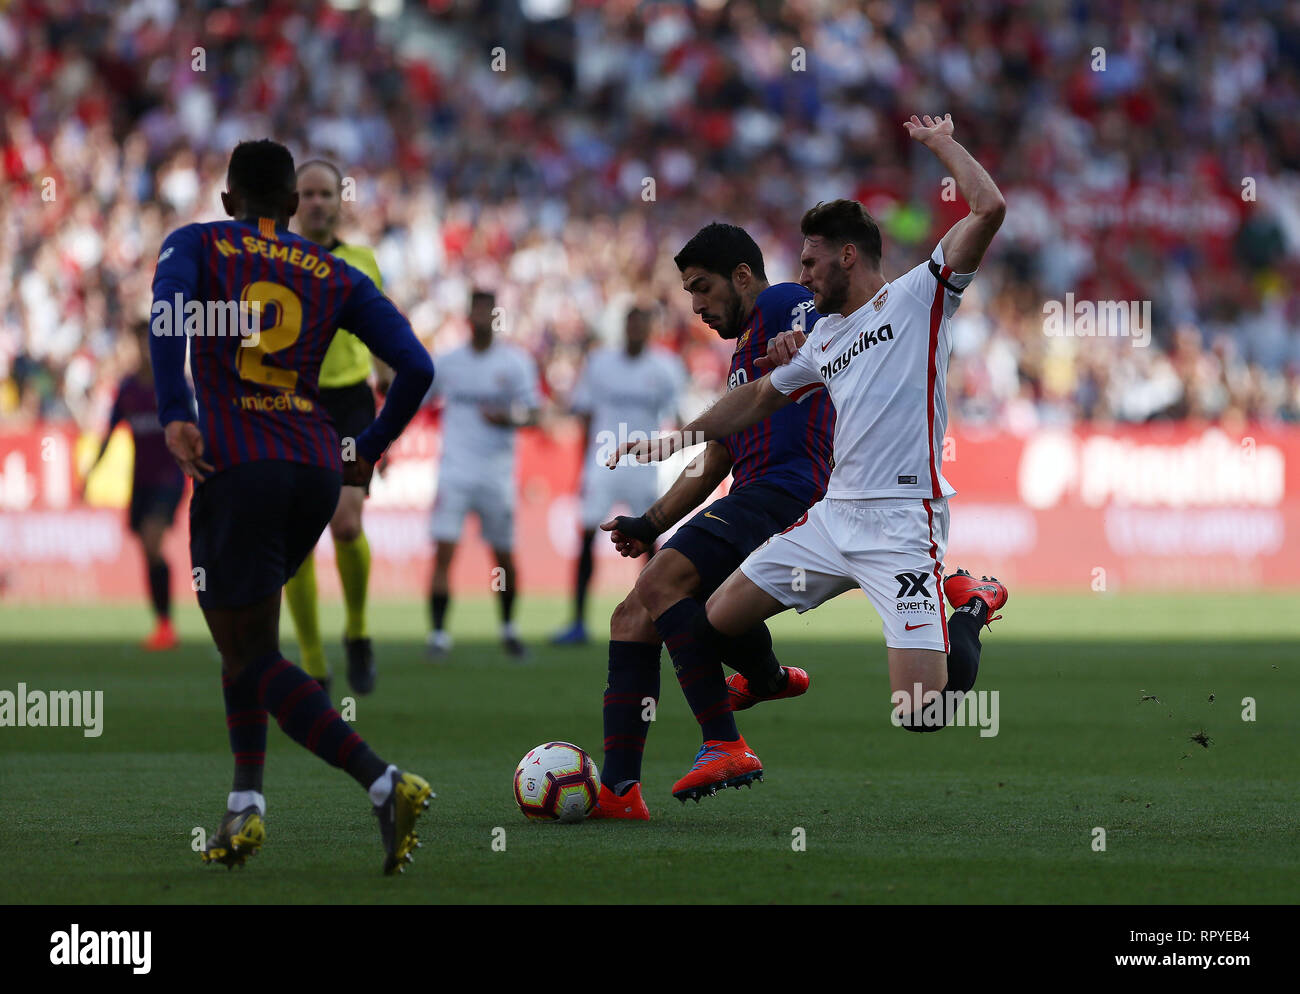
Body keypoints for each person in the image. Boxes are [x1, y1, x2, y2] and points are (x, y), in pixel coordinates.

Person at [610, 116, 1010, 797]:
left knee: (923, 713)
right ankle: (748, 707)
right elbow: (760, 399)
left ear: (847, 257)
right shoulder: (822, 341)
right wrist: (679, 437)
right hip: (831, 520)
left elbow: (990, 208)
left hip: (903, 525)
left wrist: (941, 144)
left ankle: (971, 604)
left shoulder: (921, 294)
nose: (799, 275)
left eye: (808, 262)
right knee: (712, 620)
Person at [150, 138, 434, 874]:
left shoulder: (196, 242)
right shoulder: (333, 271)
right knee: (247, 642)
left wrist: (176, 409)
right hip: (313, 467)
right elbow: (416, 366)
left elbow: (166, 322)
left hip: (235, 464)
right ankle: (245, 808)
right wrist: (366, 446)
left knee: (246, 651)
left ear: (228, 200)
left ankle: (384, 781)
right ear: (288, 205)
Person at [590, 222, 835, 818]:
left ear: (743, 276)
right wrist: (651, 521)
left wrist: (799, 340)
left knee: (661, 582)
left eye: (702, 289)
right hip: (755, 491)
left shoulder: (779, 304)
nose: (696, 306)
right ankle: (619, 792)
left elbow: (822, 326)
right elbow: (719, 456)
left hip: (789, 490)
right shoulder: (742, 354)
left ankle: (725, 740)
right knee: (632, 615)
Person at [282, 159, 391, 698]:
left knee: (346, 525)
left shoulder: (363, 259)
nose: (318, 202)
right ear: (292, 201)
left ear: (339, 200)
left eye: (326, 193)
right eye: (308, 194)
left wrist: (390, 408)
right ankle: (313, 663)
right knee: (296, 541)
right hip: (293, 402)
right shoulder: (276, 258)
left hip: (350, 401)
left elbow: (385, 338)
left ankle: (358, 632)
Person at [551, 306, 685, 646]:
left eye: (642, 324)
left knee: (650, 543)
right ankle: (578, 621)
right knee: (585, 536)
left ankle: (659, 616)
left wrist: (673, 459)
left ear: (650, 328)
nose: (636, 330)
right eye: (631, 324)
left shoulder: (665, 367)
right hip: (603, 462)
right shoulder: (600, 364)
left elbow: (681, 418)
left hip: (643, 466)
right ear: (624, 327)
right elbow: (583, 413)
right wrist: (582, 467)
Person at [425, 289, 541, 661]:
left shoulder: (515, 362)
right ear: (467, 317)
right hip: (454, 470)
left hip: (496, 475)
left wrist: (509, 417)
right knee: (444, 551)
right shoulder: (448, 362)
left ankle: (508, 629)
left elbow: (535, 414)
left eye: (486, 313)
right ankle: (439, 635)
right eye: (474, 313)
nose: (480, 320)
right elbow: (419, 398)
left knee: (503, 556)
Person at [83, 319, 186, 651]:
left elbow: (195, 425)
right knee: (146, 548)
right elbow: (110, 433)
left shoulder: (172, 384)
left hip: (170, 479)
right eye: (139, 342)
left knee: (153, 540)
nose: (144, 348)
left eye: (149, 341)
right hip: (140, 482)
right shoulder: (127, 389)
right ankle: (162, 623)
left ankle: (167, 624)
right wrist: (92, 473)